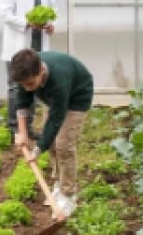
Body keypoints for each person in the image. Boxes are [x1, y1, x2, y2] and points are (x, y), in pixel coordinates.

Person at [9, 49, 93, 219]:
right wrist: (23, 133)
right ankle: (58, 184)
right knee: (53, 144)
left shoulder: (58, 80)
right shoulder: (25, 72)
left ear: (41, 71)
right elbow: (22, 102)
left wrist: (37, 150)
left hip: (77, 97)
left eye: (30, 84)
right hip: (53, 98)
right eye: (24, 85)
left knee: (64, 145)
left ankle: (69, 194)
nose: (27, 88)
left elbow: (56, 119)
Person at [0, 0, 58, 135]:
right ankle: (14, 128)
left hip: (38, 48)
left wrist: (50, 24)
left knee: (33, 85)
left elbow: (53, 9)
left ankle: (29, 128)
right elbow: (5, 14)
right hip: (17, 48)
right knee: (15, 88)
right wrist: (26, 23)